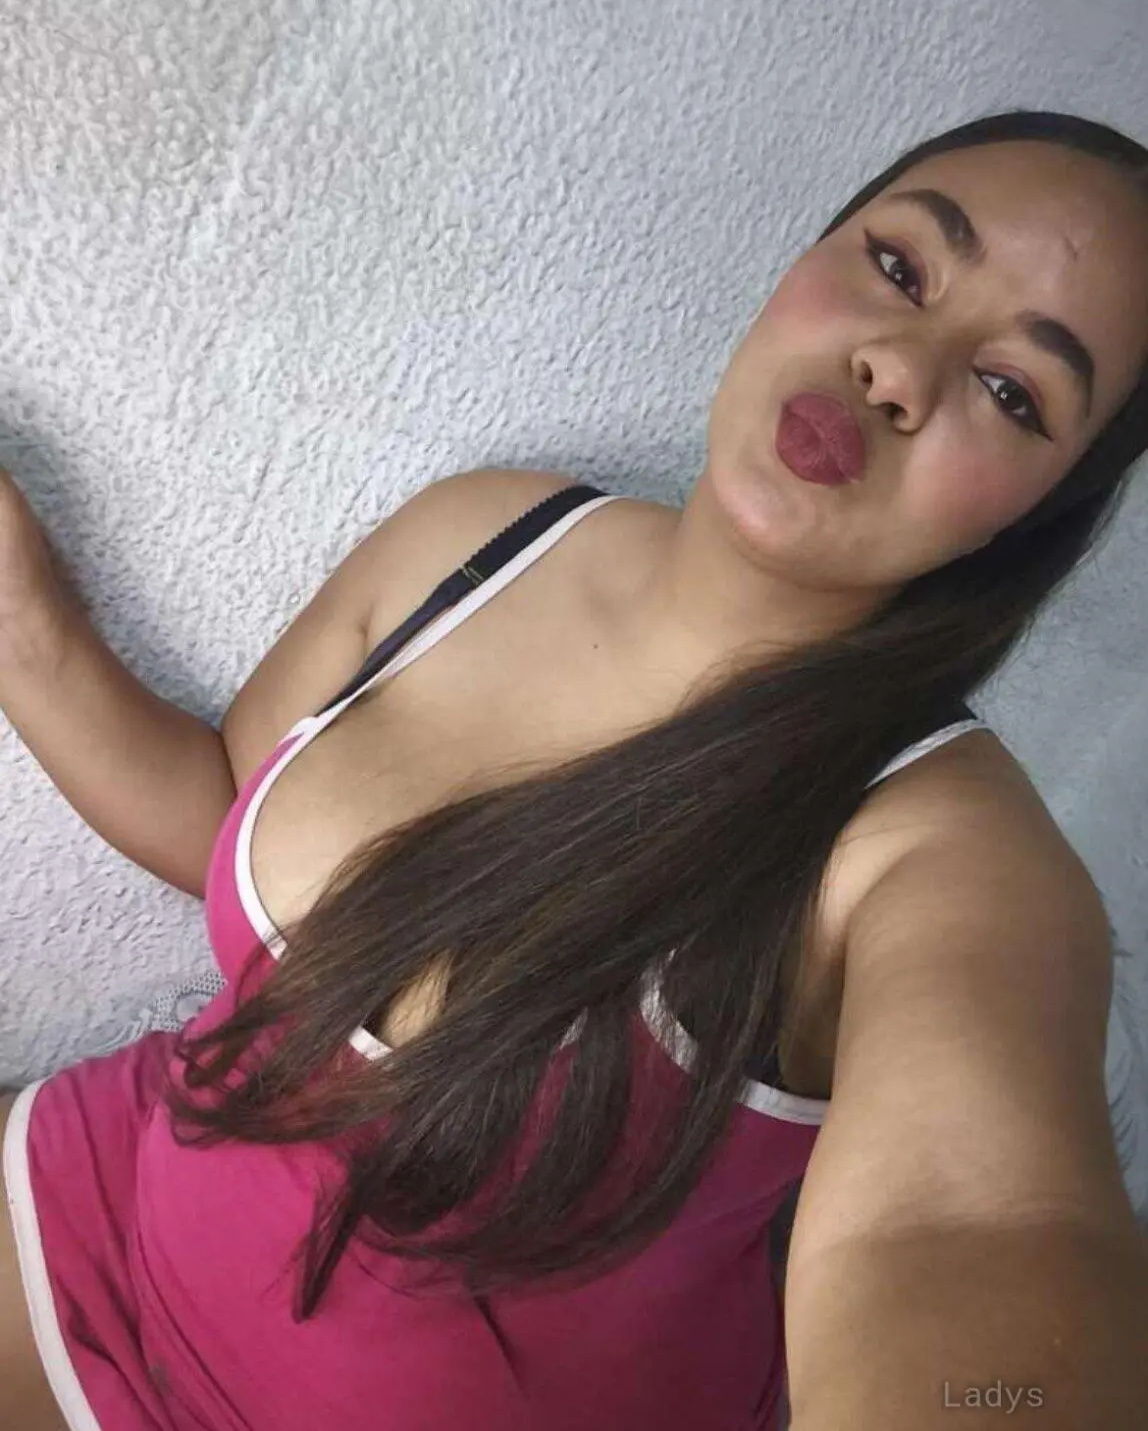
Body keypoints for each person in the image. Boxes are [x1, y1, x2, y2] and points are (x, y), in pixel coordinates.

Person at [2, 109, 1147, 1431]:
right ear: (806, 258)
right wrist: (25, 615)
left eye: (1013, 393)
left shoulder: (942, 852)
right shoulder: (486, 532)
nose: (900, 365)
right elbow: (226, 820)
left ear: (1031, 516)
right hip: (103, 1215)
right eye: (900, 266)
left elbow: (966, 1230)